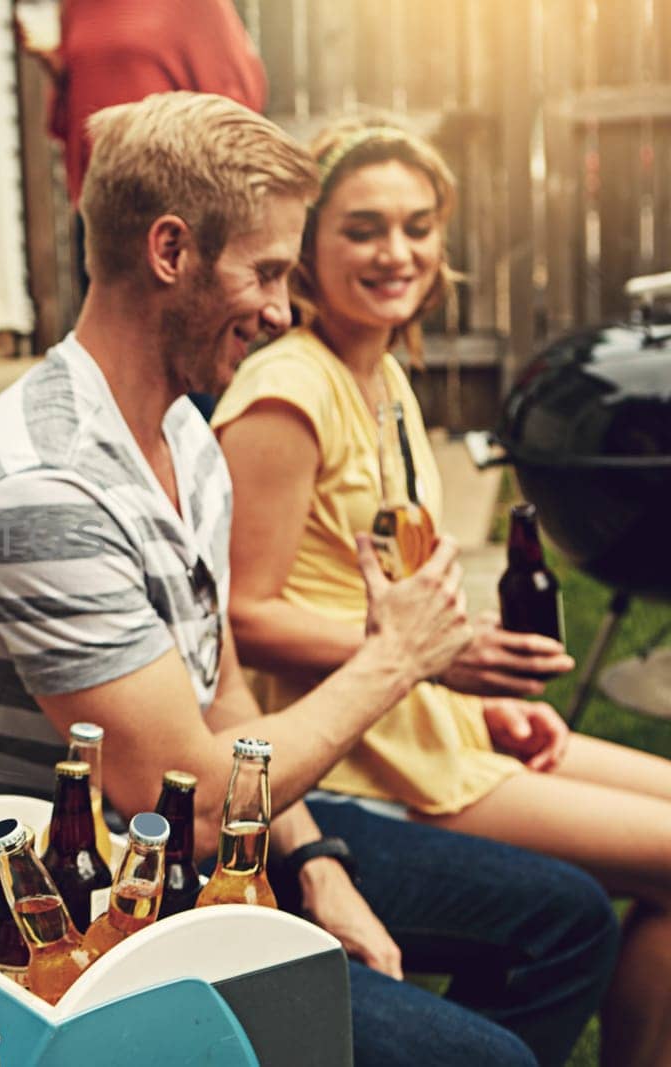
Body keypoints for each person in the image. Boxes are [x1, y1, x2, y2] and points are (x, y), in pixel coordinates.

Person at [0, 92, 619, 1067]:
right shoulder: (44, 489)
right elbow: (188, 793)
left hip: (193, 854)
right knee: (483, 1057)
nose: (284, 309)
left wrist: (313, 859)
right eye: (269, 271)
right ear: (170, 251)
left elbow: (224, 694)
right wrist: (398, 655)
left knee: (567, 917)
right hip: (74, 925)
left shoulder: (182, 432)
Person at [213, 117, 671, 1067]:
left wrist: (475, 703)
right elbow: (242, 618)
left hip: (430, 724)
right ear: (308, 246)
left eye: (418, 226)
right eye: (365, 228)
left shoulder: (382, 376)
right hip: (362, 758)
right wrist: (439, 661)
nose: (398, 251)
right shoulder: (285, 392)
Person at [19, 0, 266, 298]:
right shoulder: (77, 6)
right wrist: (57, 68)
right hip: (100, 206)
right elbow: (76, 107)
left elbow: (237, 101)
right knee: (108, 334)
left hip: (174, 210)